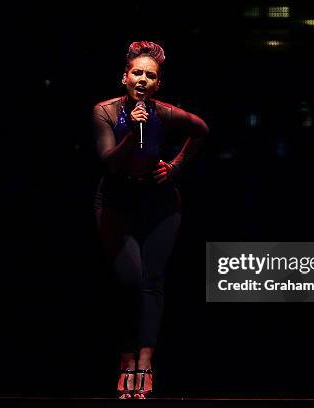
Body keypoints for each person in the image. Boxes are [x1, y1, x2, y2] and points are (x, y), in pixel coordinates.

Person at [93, 41, 208, 399]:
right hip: (117, 200)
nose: (142, 79)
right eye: (137, 72)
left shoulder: (164, 112)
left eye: (150, 75)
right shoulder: (105, 112)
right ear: (124, 77)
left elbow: (201, 128)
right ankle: (126, 359)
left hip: (159, 203)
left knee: (152, 280)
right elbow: (110, 162)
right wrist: (132, 132)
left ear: (158, 84)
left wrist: (175, 167)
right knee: (129, 279)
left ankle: (145, 362)